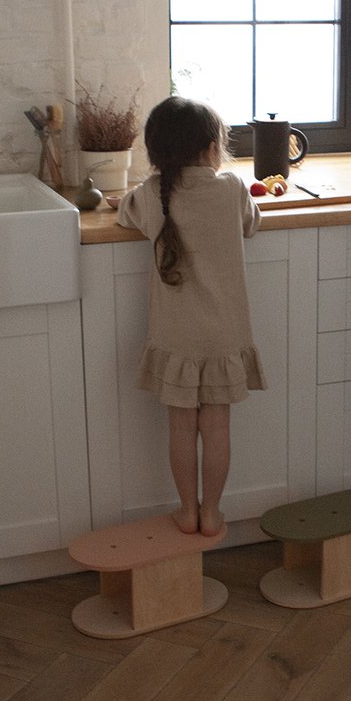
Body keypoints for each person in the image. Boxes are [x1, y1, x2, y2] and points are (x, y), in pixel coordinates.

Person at [117, 96, 265, 536]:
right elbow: (251, 224)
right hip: (223, 335)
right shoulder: (233, 189)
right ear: (210, 148)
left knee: (181, 428)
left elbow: (125, 214)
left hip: (176, 337)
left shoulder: (149, 195)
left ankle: (186, 510)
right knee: (217, 427)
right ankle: (213, 512)